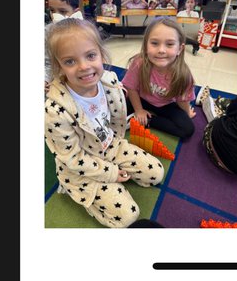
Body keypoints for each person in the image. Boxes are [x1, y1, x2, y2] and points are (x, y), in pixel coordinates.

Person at [44, 17, 164, 226]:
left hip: (110, 147)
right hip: (80, 168)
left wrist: (115, 155)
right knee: (128, 216)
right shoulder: (55, 111)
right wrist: (111, 173)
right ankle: (79, 194)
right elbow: (72, 158)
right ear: (59, 66)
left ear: (101, 54)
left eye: (90, 55)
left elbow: (113, 125)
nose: (84, 67)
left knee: (156, 174)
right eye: (70, 61)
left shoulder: (109, 82)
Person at [123, 16, 196, 141]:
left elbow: (182, 100)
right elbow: (131, 88)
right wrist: (139, 110)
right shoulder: (139, 63)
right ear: (146, 45)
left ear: (180, 49)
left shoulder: (183, 75)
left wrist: (187, 112)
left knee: (187, 129)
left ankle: (149, 120)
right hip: (142, 99)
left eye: (169, 44)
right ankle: (139, 116)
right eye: (155, 43)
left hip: (167, 105)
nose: (161, 50)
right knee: (116, 109)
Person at [195, 88, 237, 175]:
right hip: (236, 170)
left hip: (213, 144)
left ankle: (206, 100)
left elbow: (230, 112)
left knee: (226, 111)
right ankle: (215, 103)